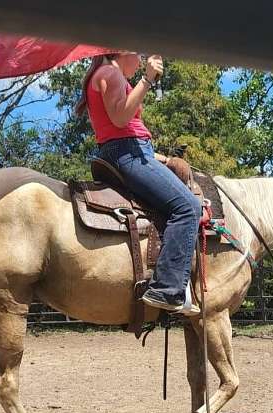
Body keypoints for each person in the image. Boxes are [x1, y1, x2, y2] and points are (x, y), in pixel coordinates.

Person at [75, 52, 202, 315]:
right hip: (128, 153)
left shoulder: (104, 74)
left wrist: (162, 158)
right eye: (139, 53)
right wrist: (148, 78)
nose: (142, 57)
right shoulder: (110, 73)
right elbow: (121, 119)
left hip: (130, 151)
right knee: (188, 206)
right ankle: (167, 288)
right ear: (122, 50)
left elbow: (120, 130)